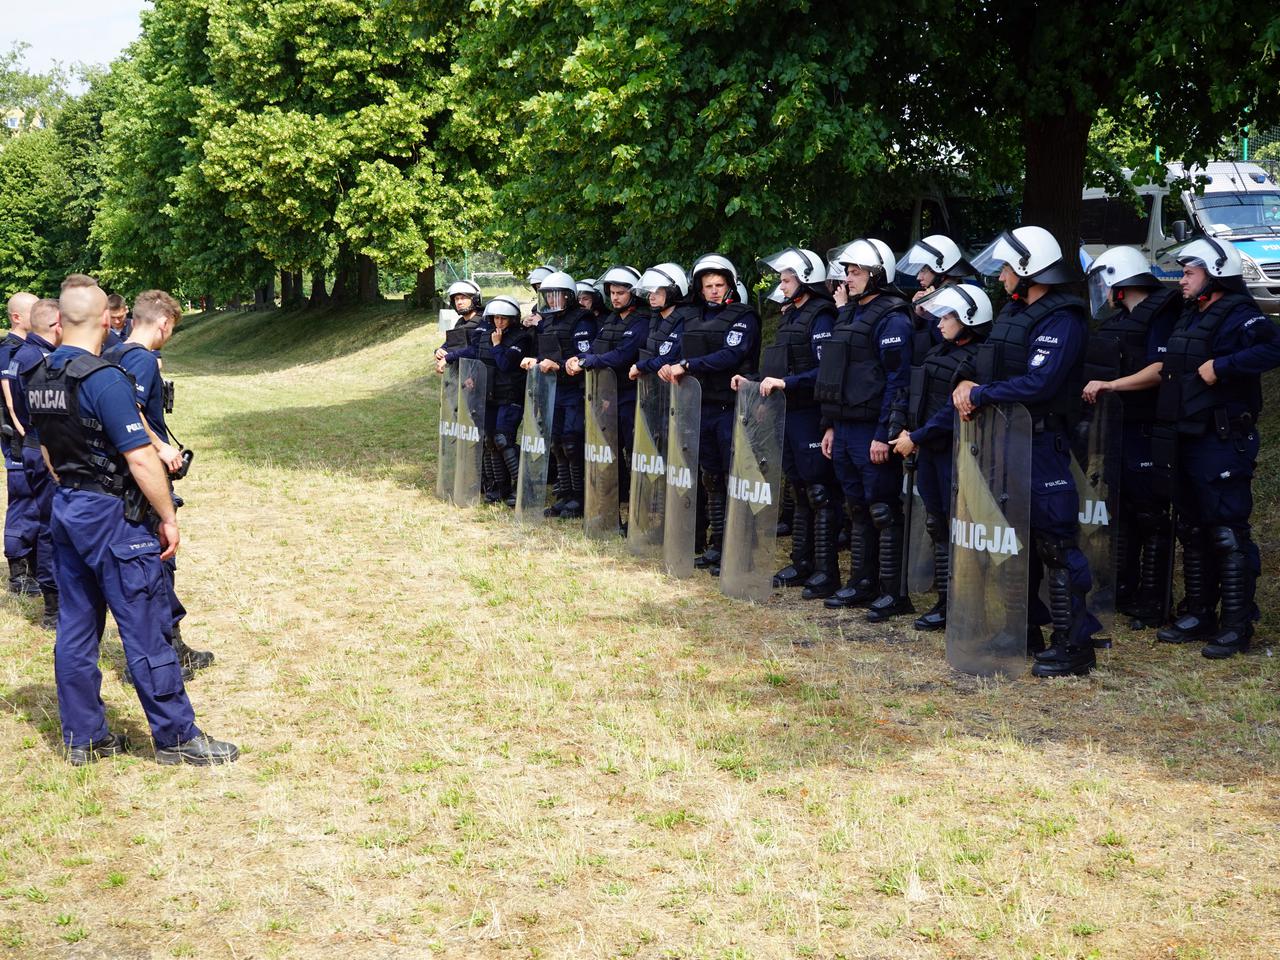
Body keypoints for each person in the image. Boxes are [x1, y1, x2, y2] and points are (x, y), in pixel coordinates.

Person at [26, 281, 237, 765]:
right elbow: (141, 459)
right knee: (144, 627)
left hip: (68, 509)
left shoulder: (39, 375)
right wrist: (167, 516)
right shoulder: (104, 378)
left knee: (76, 632)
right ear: (106, 320)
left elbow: (46, 451)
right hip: (114, 519)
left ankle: (85, 737)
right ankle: (177, 738)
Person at [952, 225, 1100, 677]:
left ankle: (1073, 645)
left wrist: (981, 395)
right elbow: (983, 361)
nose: (1000, 275)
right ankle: (1025, 630)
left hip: (1041, 444)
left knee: (1056, 543)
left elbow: (1040, 383)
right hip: (1007, 442)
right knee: (1017, 543)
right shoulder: (1017, 313)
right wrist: (964, 381)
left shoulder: (1063, 318)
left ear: (1030, 268)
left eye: (1007, 266)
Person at [1149, 237, 1280, 658]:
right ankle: (1200, 611)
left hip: (1223, 438)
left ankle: (1237, 624)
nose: (1182, 279)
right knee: (1192, 526)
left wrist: (1222, 367)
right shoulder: (1190, 313)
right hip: (1187, 435)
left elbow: (1273, 348)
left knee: (1226, 531)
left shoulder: (1240, 313)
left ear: (1215, 273)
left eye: (1190, 272)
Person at [102, 290, 214, 676]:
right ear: (163, 322)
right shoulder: (144, 361)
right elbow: (130, 410)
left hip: (113, 480)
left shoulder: (108, 354)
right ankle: (165, 655)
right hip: (141, 478)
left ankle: (174, 647)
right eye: (171, 328)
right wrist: (163, 447)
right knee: (158, 564)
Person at [1080, 246, 1181, 628]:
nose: (1103, 292)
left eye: (1106, 282)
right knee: (1121, 514)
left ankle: (1153, 599)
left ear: (1121, 282)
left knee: (1150, 515)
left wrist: (1111, 385)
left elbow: (1161, 368)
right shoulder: (1120, 320)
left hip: (1147, 427)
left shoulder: (1160, 314)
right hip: (1119, 428)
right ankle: (1124, 587)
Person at [817, 239, 914, 620]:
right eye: (847, 271)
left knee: (883, 510)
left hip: (872, 430)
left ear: (877, 275)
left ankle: (893, 592)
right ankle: (861, 583)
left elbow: (898, 381)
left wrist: (883, 433)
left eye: (856, 272)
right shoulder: (851, 313)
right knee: (856, 508)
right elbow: (836, 374)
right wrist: (830, 426)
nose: (848, 278)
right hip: (844, 427)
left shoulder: (893, 317)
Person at [889, 285, 994, 630]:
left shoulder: (979, 359)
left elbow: (953, 413)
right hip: (930, 451)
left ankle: (970, 602)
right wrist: (906, 430)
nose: (940, 323)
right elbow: (916, 395)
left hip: (958, 452)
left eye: (948, 316)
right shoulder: (937, 352)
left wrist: (914, 437)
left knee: (962, 527)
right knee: (938, 524)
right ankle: (947, 601)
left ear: (968, 318)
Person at [657, 255, 761, 571]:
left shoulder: (743, 316)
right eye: (708, 286)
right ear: (700, 290)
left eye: (719, 285)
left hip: (732, 409)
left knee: (734, 478)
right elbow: (675, 351)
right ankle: (717, 545)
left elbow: (731, 354)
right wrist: (666, 365)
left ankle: (738, 545)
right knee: (712, 478)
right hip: (701, 407)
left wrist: (687, 365)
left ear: (730, 285)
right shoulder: (692, 318)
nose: (714, 291)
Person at [750, 247, 841, 599]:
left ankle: (826, 570)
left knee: (820, 492)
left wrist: (787, 384)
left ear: (805, 280)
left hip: (810, 414)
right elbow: (778, 365)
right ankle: (802, 562)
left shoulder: (821, 316)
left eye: (787, 280)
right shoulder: (791, 317)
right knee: (800, 491)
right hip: (788, 414)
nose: (782, 286)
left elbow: (825, 370)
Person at [568, 266, 649, 515]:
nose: (615, 297)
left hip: (632, 394)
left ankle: (641, 505)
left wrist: (589, 361)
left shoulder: (642, 321)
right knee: (611, 447)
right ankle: (617, 496)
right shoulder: (610, 320)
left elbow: (622, 355)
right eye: (612, 292)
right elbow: (596, 348)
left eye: (621, 293)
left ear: (632, 294)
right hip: (608, 395)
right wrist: (577, 359)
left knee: (633, 450)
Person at [520, 271, 597, 517]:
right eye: (548, 296)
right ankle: (564, 494)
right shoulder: (548, 321)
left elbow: (582, 356)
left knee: (572, 442)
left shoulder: (582, 320)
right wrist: (536, 360)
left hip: (575, 390)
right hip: (553, 390)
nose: (552, 301)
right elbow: (547, 352)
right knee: (557, 443)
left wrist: (559, 365)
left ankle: (579, 497)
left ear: (569, 296)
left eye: (557, 295)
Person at [7, 297, 63, 627]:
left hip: (36, 445)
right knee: (50, 527)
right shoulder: (36, 359)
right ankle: (53, 606)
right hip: (43, 448)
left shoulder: (27, 355)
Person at [476, 295, 533, 507]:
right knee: (490, 440)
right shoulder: (489, 335)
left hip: (511, 396)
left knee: (503, 439)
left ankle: (521, 487)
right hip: (491, 395)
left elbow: (505, 364)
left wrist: (497, 345)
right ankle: (500, 486)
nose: (499, 322)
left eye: (504, 318)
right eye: (496, 318)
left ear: (513, 319)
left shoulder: (522, 338)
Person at [2, 292, 40, 595]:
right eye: (34, 311)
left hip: (29, 440)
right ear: (17, 317)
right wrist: (26, 437)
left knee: (36, 504)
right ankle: (18, 574)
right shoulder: (9, 350)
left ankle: (36, 567)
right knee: (23, 504)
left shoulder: (30, 348)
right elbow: (13, 403)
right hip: (19, 441)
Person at [433, 280, 484, 372]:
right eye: (456, 299)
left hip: (480, 375)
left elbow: (476, 349)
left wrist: (449, 357)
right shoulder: (460, 323)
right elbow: (452, 343)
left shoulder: (483, 321)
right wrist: (440, 350)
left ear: (475, 299)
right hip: (462, 376)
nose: (459, 302)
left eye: (463, 298)